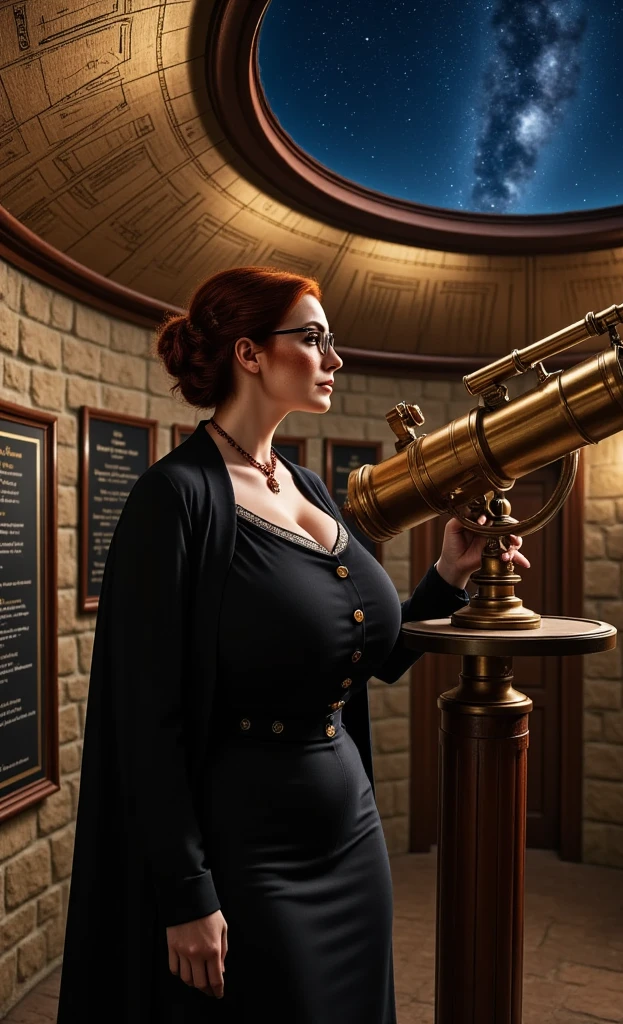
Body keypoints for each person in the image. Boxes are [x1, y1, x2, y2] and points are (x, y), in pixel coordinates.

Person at [57, 266, 528, 1023]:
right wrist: (185, 894)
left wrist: (447, 575)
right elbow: (146, 717)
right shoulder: (174, 499)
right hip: (249, 848)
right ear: (249, 353)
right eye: (313, 340)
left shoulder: (306, 486)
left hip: (349, 829)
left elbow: (367, 654)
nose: (334, 359)